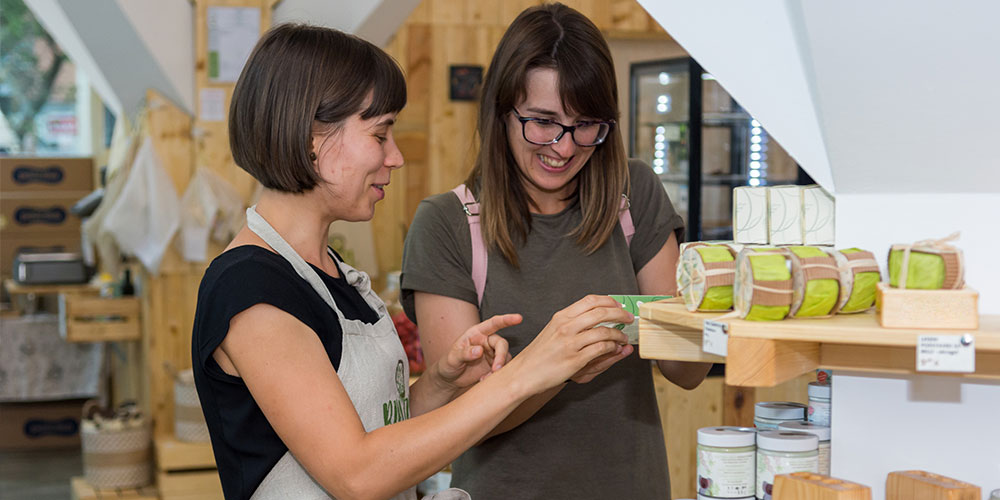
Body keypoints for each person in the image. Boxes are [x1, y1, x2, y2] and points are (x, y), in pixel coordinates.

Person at [190, 23, 635, 500]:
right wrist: (527, 374)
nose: (396, 157)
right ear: (311, 137)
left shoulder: (330, 272)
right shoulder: (251, 291)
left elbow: (379, 430)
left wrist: (439, 385)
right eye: (380, 134)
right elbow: (357, 473)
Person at [401, 4, 713, 499]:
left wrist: (715, 308)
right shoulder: (446, 225)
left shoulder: (635, 195)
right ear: (502, 112)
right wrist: (559, 365)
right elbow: (459, 422)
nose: (564, 147)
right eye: (543, 121)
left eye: (585, 124)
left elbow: (687, 373)